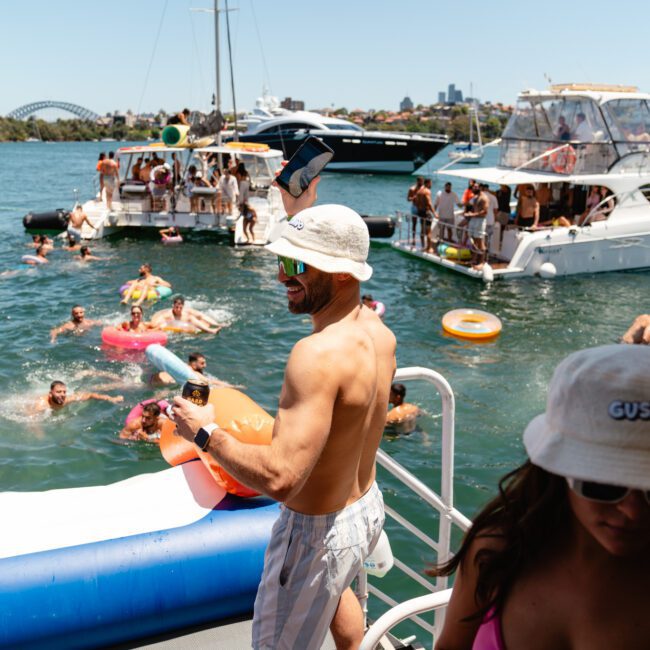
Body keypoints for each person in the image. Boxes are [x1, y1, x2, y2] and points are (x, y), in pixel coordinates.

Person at [172, 178, 396, 650]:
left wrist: (203, 432)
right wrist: (301, 210)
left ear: (339, 274)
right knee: (341, 597)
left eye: (295, 264)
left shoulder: (314, 355)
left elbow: (280, 479)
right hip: (364, 507)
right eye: (281, 260)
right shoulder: (377, 331)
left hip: (314, 534)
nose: (280, 276)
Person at [432, 344, 650, 650]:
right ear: (559, 472)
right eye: (604, 484)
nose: (633, 511)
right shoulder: (495, 553)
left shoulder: (499, 551)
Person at [150, 295, 222, 334]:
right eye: (176, 307)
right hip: (175, 329)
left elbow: (202, 316)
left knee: (191, 317)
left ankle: (210, 330)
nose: (178, 309)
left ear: (183, 306)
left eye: (180, 307)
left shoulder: (187, 312)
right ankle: (211, 331)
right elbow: (156, 322)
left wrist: (217, 324)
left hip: (189, 327)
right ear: (173, 306)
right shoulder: (168, 314)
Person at [36, 380, 123, 412]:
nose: (62, 395)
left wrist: (111, 398)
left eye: (64, 392)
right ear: (50, 394)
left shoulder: (67, 399)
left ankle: (122, 383)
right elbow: (31, 419)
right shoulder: (42, 404)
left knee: (95, 388)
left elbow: (90, 395)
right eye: (58, 392)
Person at [465, 184, 488, 269]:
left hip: (480, 221)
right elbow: (472, 207)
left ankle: (482, 262)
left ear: (480, 188)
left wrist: (473, 214)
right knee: (473, 240)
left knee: (480, 241)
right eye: (473, 187)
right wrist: (469, 214)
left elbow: (485, 212)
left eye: (476, 187)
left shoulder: (484, 198)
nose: (473, 189)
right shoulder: (475, 197)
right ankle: (474, 259)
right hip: (474, 220)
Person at [413, 178, 435, 251]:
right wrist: (435, 213)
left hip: (420, 212)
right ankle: (429, 248)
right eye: (430, 183)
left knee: (422, 229)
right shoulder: (427, 191)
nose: (431, 185)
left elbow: (415, 202)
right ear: (427, 183)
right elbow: (429, 203)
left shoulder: (419, 191)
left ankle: (423, 246)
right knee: (428, 231)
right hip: (426, 212)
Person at [407, 176, 424, 245]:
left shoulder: (424, 189)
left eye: (422, 181)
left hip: (422, 207)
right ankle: (413, 238)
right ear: (417, 181)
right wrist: (413, 198)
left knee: (423, 224)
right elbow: (408, 199)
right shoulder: (412, 189)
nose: (421, 183)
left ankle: (422, 238)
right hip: (414, 207)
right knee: (414, 223)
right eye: (420, 181)